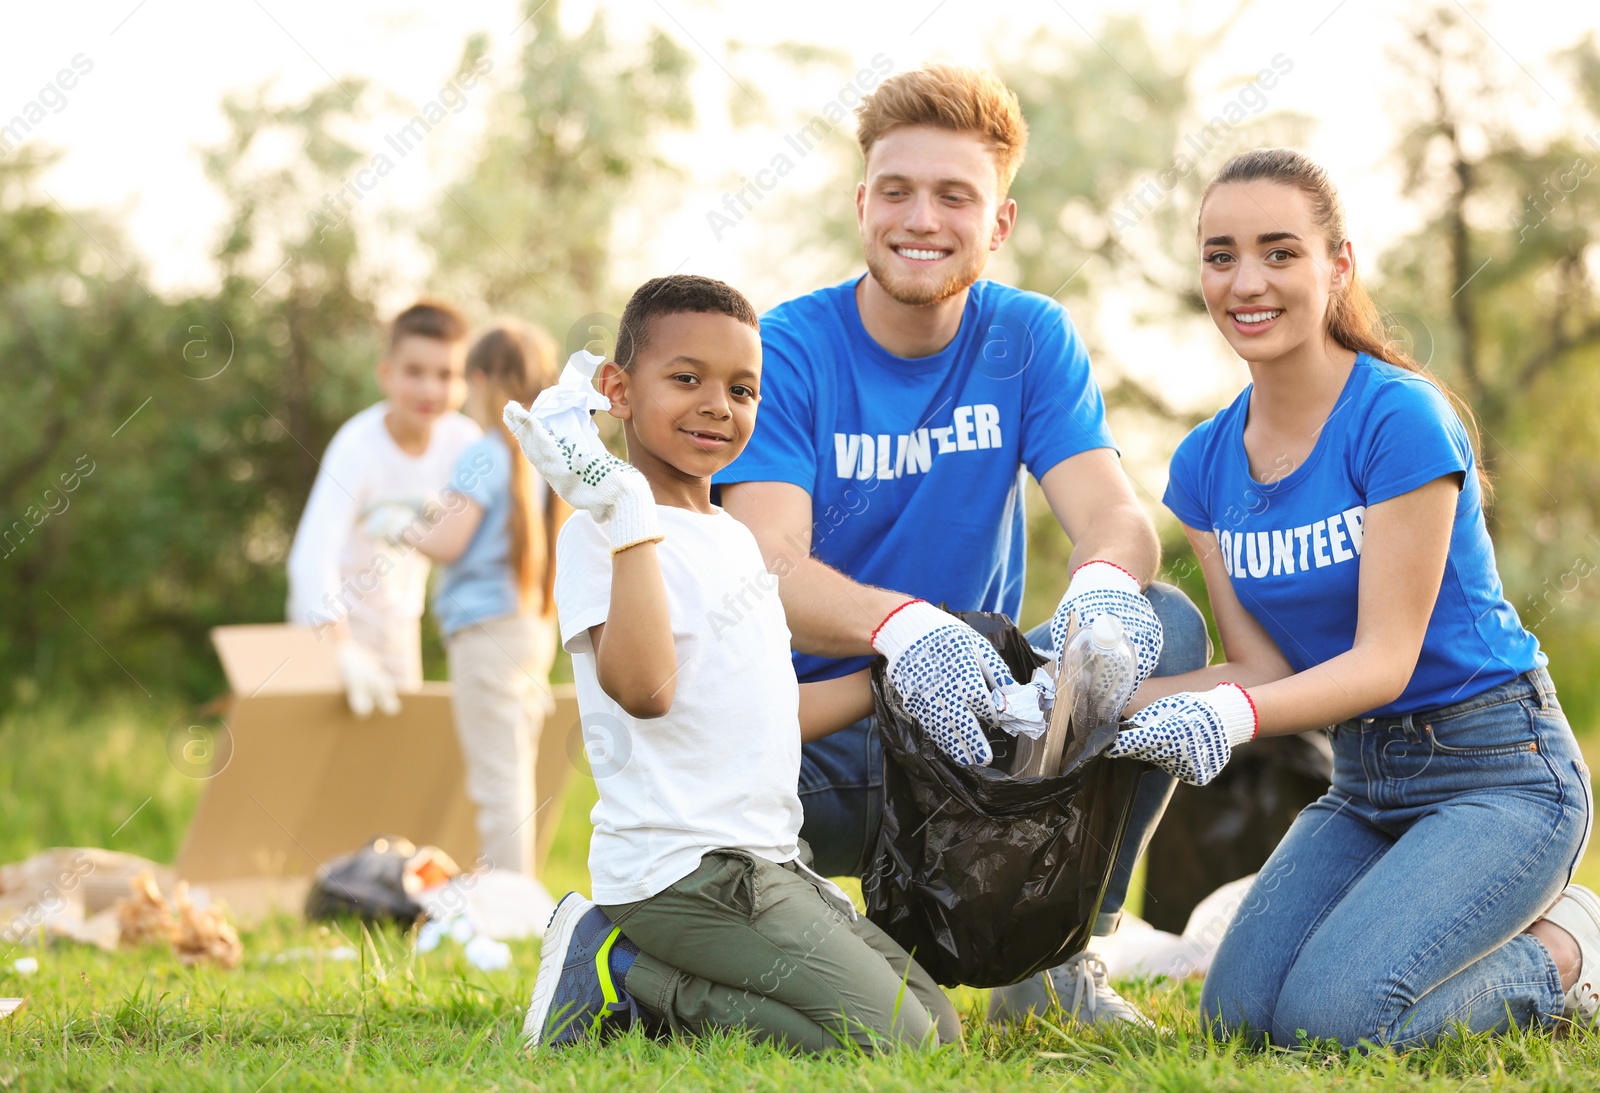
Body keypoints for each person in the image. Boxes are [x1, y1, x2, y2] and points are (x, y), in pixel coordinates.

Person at [713, 63, 1211, 1026]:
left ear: (1001, 223)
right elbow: (766, 565)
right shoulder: (789, 347)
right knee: (846, 981)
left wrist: (1100, 594)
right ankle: (832, 928)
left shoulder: (1028, 337)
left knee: (1164, 625)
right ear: (862, 204)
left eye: (955, 196)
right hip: (825, 745)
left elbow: (1118, 518)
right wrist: (905, 630)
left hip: (988, 728)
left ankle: (1054, 959)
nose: (921, 218)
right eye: (896, 191)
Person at [1107, 147, 1600, 1047]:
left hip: (1499, 771)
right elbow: (1260, 665)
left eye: (1279, 251)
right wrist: (1097, 705)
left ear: (1338, 265)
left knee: (1336, 1020)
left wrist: (1229, 718)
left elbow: (1383, 661)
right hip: (1365, 780)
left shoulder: (1397, 419)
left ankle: (1568, 947)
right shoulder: (1206, 463)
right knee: (1236, 1021)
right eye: (1221, 255)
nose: (1246, 281)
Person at [509, 274, 961, 1053]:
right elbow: (645, 691)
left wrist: (892, 672)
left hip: (768, 861)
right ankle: (625, 971)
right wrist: (624, 513)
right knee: (899, 1043)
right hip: (680, 872)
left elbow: (770, 710)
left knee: (938, 1023)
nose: (719, 404)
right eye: (686, 379)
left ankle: (642, 968)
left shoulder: (732, 538)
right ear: (617, 389)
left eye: (742, 388)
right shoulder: (605, 537)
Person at [374, 319, 569, 880]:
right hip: (531, 627)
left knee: (495, 774)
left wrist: (401, 523)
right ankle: (514, 887)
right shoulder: (543, 452)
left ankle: (508, 897)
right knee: (515, 766)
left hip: (485, 632)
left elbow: (449, 541)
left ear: (481, 380)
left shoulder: (486, 452)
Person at [286, 299, 479, 715]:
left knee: (394, 762)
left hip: (399, 624)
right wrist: (341, 649)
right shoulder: (357, 446)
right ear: (386, 375)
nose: (430, 389)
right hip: (332, 624)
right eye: (415, 372)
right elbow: (312, 557)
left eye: (446, 375)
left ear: (464, 383)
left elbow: (481, 542)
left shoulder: (466, 444)